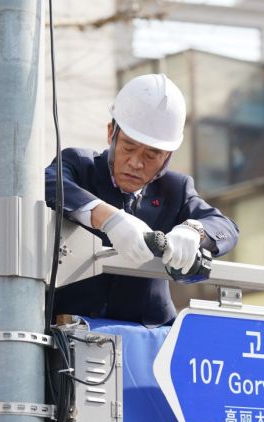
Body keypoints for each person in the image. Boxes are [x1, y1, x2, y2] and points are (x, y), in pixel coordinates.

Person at [46, 73, 239, 327]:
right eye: (128, 147)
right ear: (110, 133)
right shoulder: (79, 166)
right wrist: (108, 218)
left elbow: (225, 227)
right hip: (68, 332)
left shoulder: (176, 190)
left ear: (168, 156)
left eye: (152, 154)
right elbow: (49, 184)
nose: (136, 163)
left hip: (146, 337)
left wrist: (194, 231)